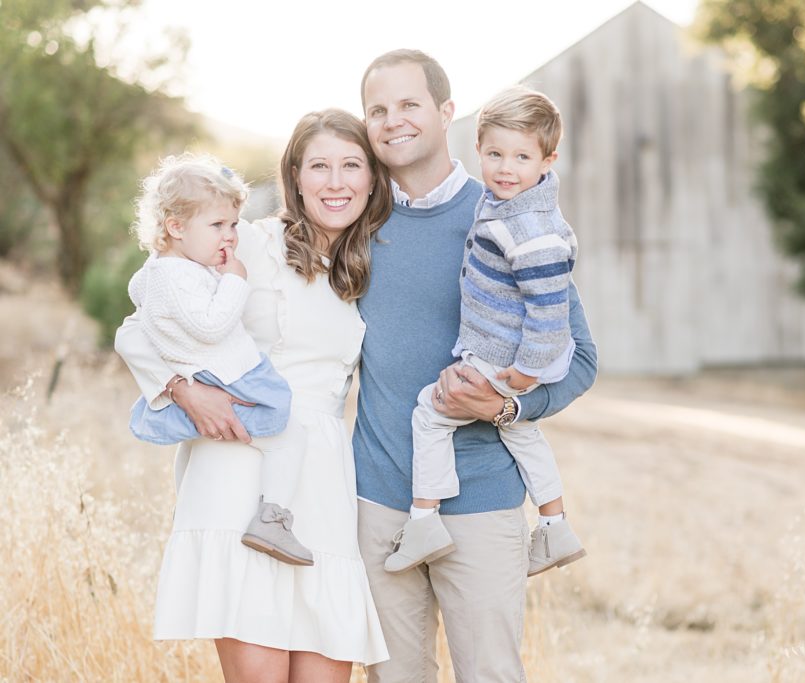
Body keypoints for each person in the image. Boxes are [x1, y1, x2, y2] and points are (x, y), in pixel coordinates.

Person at [114, 109, 390, 682]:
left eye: (351, 165)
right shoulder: (246, 244)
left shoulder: (366, 262)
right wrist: (184, 392)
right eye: (319, 166)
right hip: (239, 462)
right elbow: (138, 327)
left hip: (320, 478)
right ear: (294, 175)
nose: (335, 182)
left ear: (372, 177)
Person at [356, 49, 598, 682]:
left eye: (409, 104)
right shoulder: (354, 222)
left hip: (484, 503)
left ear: (446, 113)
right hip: (379, 502)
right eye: (377, 110)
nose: (393, 121)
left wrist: (507, 405)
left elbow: (580, 358)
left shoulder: (506, 210)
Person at [385, 86, 586, 578]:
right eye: (494, 154)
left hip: (506, 352)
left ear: (547, 159)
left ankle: (425, 519)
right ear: (478, 149)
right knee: (522, 432)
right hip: (516, 349)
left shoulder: (527, 224)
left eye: (521, 157)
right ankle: (555, 526)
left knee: (429, 416)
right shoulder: (509, 205)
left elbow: (548, 308)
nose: (504, 168)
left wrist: (524, 371)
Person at [126, 153, 314, 567]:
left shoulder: (162, 270)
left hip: (206, 371)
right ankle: (273, 518)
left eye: (232, 224)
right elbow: (211, 326)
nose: (230, 237)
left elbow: (147, 302)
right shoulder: (179, 277)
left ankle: (185, 510)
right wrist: (234, 281)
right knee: (288, 434)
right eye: (218, 226)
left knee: (192, 450)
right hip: (226, 374)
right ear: (175, 227)